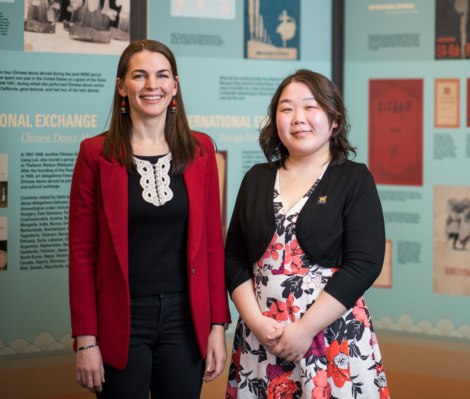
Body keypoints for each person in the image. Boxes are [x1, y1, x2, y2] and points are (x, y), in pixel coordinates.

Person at [69, 39, 231, 398]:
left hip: (186, 320)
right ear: (122, 86)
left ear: (175, 85)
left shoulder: (200, 149)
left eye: (161, 75)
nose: (151, 85)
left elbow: (212, 247)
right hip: (121, 320)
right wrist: (85, 340)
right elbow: (82, 255)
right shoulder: (95, 154)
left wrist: (217, 325)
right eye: (139, 76)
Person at [224, 70, 390, 399]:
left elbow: (365, 263)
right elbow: (234, 258)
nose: (298, 118)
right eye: (286, 109)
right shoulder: (256, 178)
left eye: (310, 107)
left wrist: (304, 330)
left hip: (331, 339)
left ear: (334, 121)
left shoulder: (354, 179)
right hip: (262, 339)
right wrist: (256, 323)